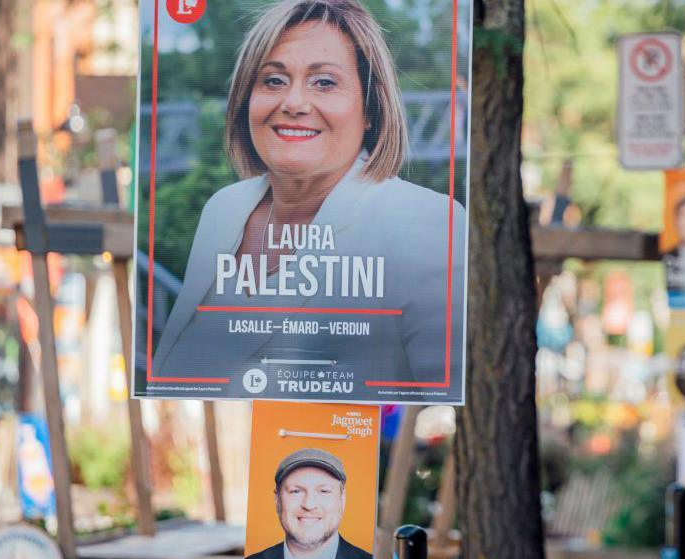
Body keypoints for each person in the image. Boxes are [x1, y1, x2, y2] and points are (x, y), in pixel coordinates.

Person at [151, 0, 466, 394]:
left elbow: (445, 414)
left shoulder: (425, 224)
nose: (294, 103)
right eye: (273, 80)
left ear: (370, 109)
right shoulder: (223, 209)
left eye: (324, 82)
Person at [245, 448, 372, 559]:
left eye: (324, 491)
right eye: (296, 491)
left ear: (342, 499)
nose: (309, 505)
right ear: (277, 500)